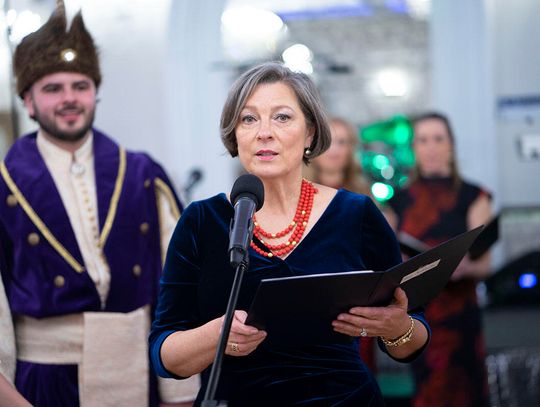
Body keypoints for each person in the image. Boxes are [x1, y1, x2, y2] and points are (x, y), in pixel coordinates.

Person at [149, 61, 431, 406]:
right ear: (235, 135)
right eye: (248, 119)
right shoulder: (201, 220)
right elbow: (163, 356)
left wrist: (398, 328)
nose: (264, 132)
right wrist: (215, 335)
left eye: (281, 117)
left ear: (310, 133)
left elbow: (413, 336)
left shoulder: (356, 214)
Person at [0, 2, 198, 405]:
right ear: (28, 102)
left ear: (95, 94)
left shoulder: (142, 173)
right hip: (44, 380)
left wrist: (179, 389)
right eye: (52, 89)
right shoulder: (4, 184)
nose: (69, 99)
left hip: (138, 369)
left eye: (80, 86)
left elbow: (178, 284)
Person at [384, 112, 492, 407]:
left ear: (450, 145)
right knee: (427, 391)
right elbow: (384, 259)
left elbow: (485, 264)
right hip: (419, 314)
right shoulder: (397, 201)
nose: (430, 147)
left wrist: (467, 266)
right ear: (414, 148)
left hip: (460, 313)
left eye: (438, 139)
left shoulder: (474, 196)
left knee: (466, 392)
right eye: (423, 140)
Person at [305, 116, 377, 370]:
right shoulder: (296, 193)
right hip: (309, 297)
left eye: (343, 142)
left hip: (355, 297)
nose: (335, 149)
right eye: (329, 142)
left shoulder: (364, 196)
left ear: (351, 150)